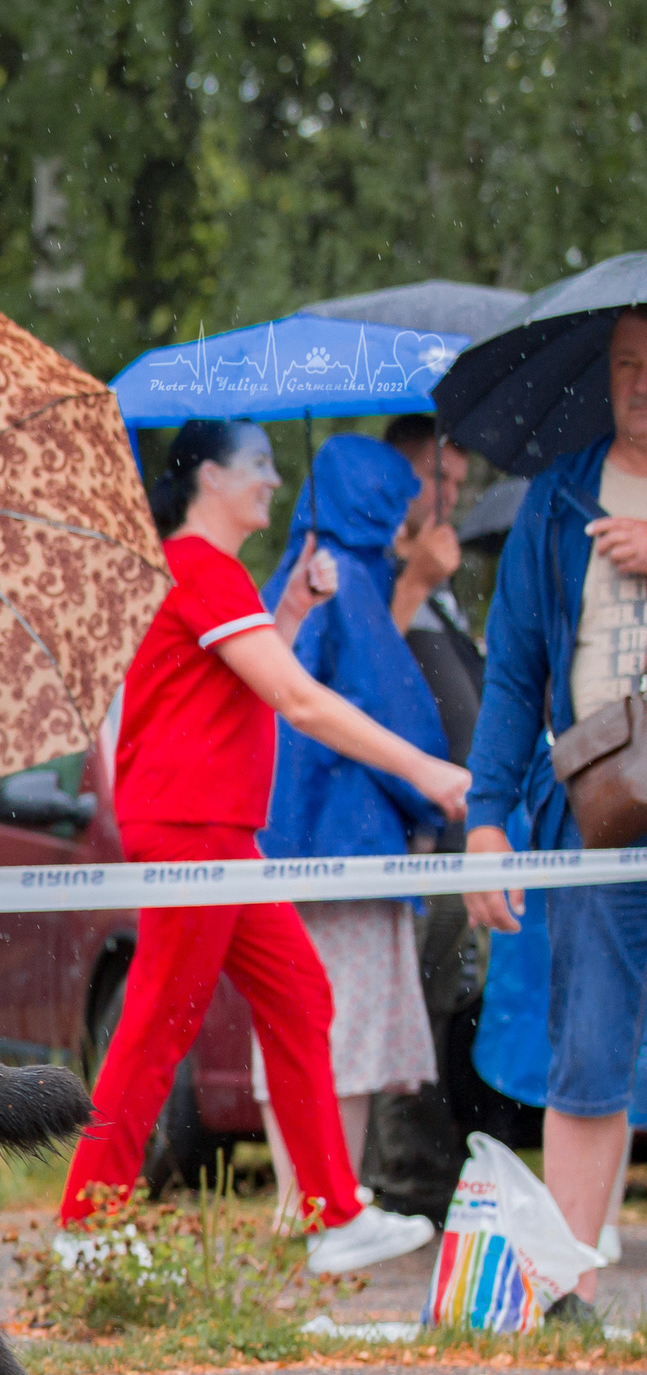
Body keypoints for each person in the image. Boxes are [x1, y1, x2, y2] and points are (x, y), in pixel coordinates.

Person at [57, 418, 469, 1272]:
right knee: (157, 1025)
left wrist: (290, 607)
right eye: (258, 465)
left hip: (216, 832)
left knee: (298, 995)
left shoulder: (211, 576)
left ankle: (329, 1211)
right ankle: (85, 1225)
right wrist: (427, 769)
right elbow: (299, 700)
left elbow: (243, 675)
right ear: (209, 475)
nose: (274, 482)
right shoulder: (201, 569)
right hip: (192, 833)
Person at [463, 306, 647, 1324]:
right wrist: (487, 816)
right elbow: (511, 673)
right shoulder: (556, 496)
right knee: (590, 1040)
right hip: (602, 808)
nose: (639, 387)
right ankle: (570, 1284)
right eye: (625, 367)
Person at [249, 435, 449, 1226]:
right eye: (399, 500)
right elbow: (398, 714)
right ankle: (330, 1208)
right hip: (352, 851)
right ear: (375, 501)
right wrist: (435, 798)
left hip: (277, 846)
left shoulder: (290, 579)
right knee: (349, 1032)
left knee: (288, 1028)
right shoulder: (354, 584)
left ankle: (297, 1203)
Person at [373, 414, 488, 1217]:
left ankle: (428, 1170)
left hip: (458, 833)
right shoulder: (373, 573)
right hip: (408, 836)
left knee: (442, 1003)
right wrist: (412, 578)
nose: (450, 495)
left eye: (458, 480)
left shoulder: (445, 593)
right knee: (403, 1005)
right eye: (434, 476)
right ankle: (398, 1177)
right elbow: (362, 673)